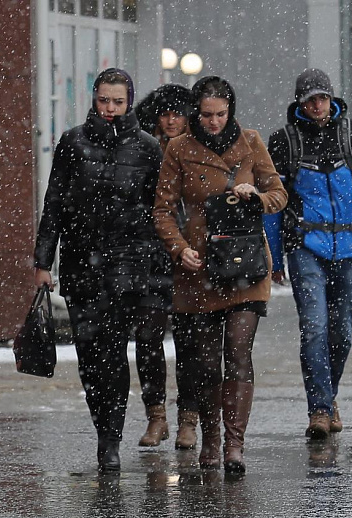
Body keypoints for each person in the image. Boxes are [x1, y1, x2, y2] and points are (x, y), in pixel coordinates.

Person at [152, 76, 288, 473]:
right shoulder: (179, 149)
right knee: (207, 362)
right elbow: (162, 209)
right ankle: (210, 439)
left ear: (231, 111)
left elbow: (279, 194)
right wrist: (179, 248)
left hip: (246, 266)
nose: (213, 121)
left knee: (238, 352)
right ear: (196, 112)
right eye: (207, 114)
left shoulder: (250, 141)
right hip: (201, 269)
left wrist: (256, 196)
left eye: (221, 114)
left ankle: (235, 445)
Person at [34, 68, 166, 471]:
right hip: (81, 266)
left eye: (118, 102)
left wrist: (159, 267)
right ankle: (102, 428)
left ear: (129, 102)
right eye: (104, 101)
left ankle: (110, 439)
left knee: (113, 355)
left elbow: (160, 210)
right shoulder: (73, 142)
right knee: (91, 356)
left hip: (129, 265)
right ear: (94, 100)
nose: (110, 109)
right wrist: (42, 261)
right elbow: (54, 202)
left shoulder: (146, 148)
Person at [265, 69, 352, 440]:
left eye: (322, 97)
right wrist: (275, 259)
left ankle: (329, 395)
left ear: (331, 98)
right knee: (314, 329)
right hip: (305, 248)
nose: (317, 105)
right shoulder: (283, 143)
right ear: (299, 102)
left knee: (341, 333)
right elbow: (273, 206)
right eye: (310, 99)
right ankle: (320, 409)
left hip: (350, 248)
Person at [131, 83, 199, 449]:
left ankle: (188, 418)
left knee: (190, 342)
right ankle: (156, 416)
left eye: (178, 113)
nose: (171, 120)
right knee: (148, 337)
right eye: (165, 113)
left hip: (191, 254)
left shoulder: (200, 148)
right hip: (150, 255)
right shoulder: (143, 148)